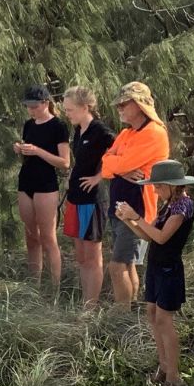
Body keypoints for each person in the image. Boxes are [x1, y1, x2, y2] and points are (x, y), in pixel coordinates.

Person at [114, 160, 194, 386]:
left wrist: (136, 216)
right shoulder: (168, 205)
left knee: (164, 320)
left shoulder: (183, 206)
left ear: (172, 185)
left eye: (158, 187)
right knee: (152, 314)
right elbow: (147, 235)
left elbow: (161, 237)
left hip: (170, 269)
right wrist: (127, 220)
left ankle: (173, 376)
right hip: (157, 266)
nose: (156, 191)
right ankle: (163, 365)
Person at [96, 82, 170, 305]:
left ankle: (121, 317)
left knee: (117, 266)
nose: (119, 108)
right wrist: (120, 167)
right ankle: (131, 314)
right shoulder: (127, 133)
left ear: (139, 105)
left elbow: (118, 163)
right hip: (120, 206)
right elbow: (106, 165)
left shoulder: (154, 133)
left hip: (137, 208)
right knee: (127, 264)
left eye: (123, 103)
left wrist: (118, 165)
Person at [62, 86, 115, 308]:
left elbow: (120, 156)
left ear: (85, 107)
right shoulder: (78, 130)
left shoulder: (101, 131)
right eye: (65, 110)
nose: (67, 114)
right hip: (75, 196)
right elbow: (80, 160)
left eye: (71, 109)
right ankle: (86, 303)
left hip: (93, 199)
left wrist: (99, 177)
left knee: (93, 256)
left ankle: (92, 307)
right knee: (81, 256)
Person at [14, 85, 70, 284]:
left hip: (46, 184)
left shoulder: (58, 126)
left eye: (34, 106)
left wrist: (38, 151)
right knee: (31, 235)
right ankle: (34, 283)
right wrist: (21, 150)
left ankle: (55, 286)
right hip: (26, 180)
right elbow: (27, 157)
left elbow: (64, 162)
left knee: (48, 236)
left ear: (46, 103)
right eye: (28, 107)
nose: (31, 110)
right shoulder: (29, 125)